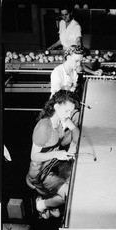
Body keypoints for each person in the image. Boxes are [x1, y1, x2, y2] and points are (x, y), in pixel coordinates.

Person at [26, 90, 80, 219]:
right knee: (70, 194)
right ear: (56, 106)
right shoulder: (44, 127)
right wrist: (57, 154)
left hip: (53, 164)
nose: (69, 115)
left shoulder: (62, 119)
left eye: (70, 112)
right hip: (40, 173)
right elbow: (34, 156)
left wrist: (73, 143)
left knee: (79, 176)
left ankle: (52, 201)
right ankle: (42, 205)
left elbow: (75, 130)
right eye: (66, 111)